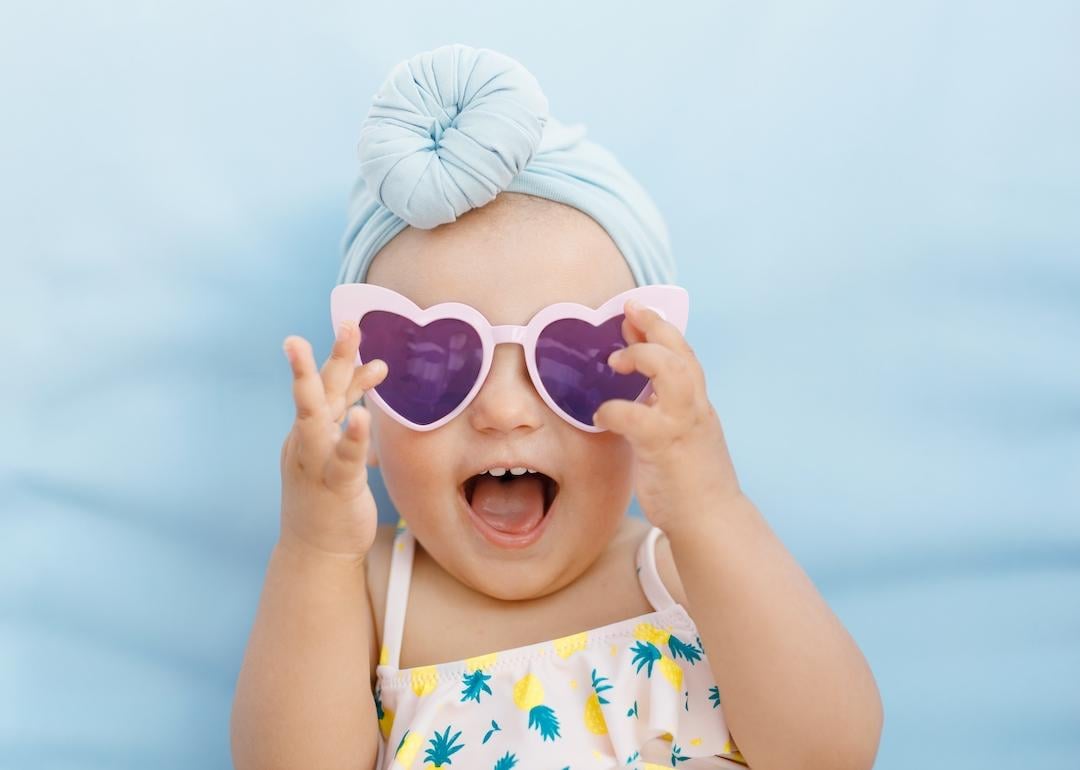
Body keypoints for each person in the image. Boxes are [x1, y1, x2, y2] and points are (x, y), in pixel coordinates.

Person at [231, 44, 883, 770]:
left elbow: (831, 753)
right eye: (436, 361)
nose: (505, 411)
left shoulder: (680, 570)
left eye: (573, 360)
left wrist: (711, 507)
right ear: (370, 404)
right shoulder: (373, 593)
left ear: (649, 393)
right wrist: (314, 548)